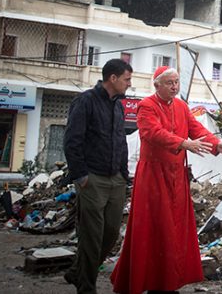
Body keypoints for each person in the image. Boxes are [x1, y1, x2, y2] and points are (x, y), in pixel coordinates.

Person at [111, 66, 222, 294]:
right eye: (169, 83)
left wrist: (216, 144)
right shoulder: (146, 105)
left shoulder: (181, 106)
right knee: (153, 228)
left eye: (176, 82)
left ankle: (168, 282)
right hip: (153, 175)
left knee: (174, 229)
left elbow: (196, 129)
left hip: (177, 176)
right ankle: (148, 281)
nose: (174, 86)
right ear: (157, 85)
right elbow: (152, 132)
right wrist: (182, 143)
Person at [64, 58, 133, 294]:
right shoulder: (85, 101)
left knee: (111, 234)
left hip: (116, 179)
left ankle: (77, 271)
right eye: (126, 79)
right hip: (92, 178)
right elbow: (72, 141)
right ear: (113, 78)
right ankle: (86, 287)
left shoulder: (118, 106)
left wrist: (123, 174)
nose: (129, 84)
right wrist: (81, 176)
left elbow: (121, 141)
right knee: (92, 236)